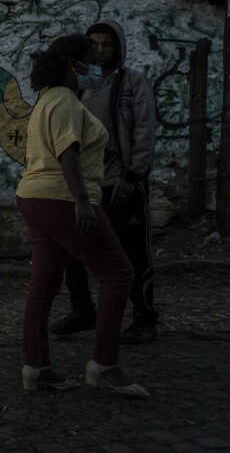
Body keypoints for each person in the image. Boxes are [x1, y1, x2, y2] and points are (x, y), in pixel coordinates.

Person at [16, 34, 147, 397]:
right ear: (73, 66)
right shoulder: (65, 100)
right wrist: (82, 201)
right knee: (119, 274)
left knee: (43, 285)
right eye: (90, 59)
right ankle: (104, 363)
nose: (96, 66)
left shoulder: (48, 99)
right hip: (61, 198)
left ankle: (36, 366)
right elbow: (67, 153)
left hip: (36, 197)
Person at [50, 21, 159, 344]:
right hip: (86, 184)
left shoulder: (132, 83)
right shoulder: (79, 84)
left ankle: (144, 317)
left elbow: (144, 131)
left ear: (118, 48)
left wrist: (132, 175)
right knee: (72, 249)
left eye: (107, 44)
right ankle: (83, 310)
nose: (100, 50)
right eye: (94, 44)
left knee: (133, 252)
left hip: (120, 182)